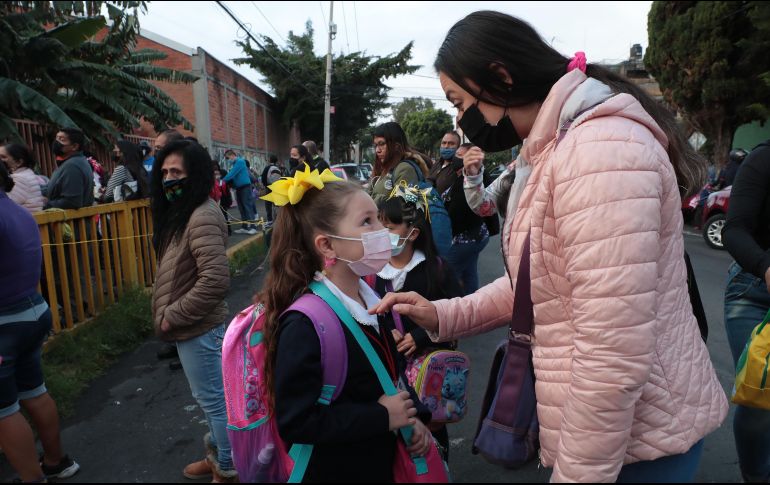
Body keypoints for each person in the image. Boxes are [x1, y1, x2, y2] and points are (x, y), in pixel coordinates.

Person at [371, 11, 727, 483]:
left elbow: (611, 355)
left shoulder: (598, 151)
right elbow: (542, 284)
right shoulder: (558, 147)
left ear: (500, 78)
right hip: (615, 439)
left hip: (637, 447)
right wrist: (443, 314)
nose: (461, 120)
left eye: (459, 102)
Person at [259, 170, 433, 482]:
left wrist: (412, 417)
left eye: (378, 219)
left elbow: (390, 379)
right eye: (367, 222)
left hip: (380, 462)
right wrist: (382, 417)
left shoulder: (374, 301)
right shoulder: (305, 325)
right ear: (327, 246)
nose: (382, 231)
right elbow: (296, 421)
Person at [150, 140, 236, 483]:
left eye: (177, 172)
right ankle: (217, 455)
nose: (169, 179)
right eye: (165, 172)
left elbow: (215, 281)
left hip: (198, 328)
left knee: (216, 403)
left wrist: (173, 315)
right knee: (210, 400)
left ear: (195, 175)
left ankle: (228, 469)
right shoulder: (183, 213)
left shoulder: (201, 214)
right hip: (191, 329)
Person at [0, 163, 80, 482]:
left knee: (4, 411)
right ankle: (56, 461)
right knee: (33, 391)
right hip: (33, 312)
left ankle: (33, 478)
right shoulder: (18, 211)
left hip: (5, 324)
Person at [375, 184, 463, 461]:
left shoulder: (437, 270)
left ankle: (439, 468)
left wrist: (421, 336)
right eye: (380, 226)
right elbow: (373, 313)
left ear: (412, 233)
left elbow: (455, 314)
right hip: (393, 371)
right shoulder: (373, 273)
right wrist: (389, 331)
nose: (382, 234)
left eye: (390, 227)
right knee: (403, 438)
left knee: (434, 431)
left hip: (432, 370)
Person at [722, 140, 770, 483]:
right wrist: (766, 267)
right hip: (753, 292)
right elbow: (734, 230)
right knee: (760, 396)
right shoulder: (763, 159)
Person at [439, 143, 493, 295]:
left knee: (447, 276)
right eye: (458, 155)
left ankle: (452, 309)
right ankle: (470, 305)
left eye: (464, 156)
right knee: (469, 273)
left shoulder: (474, 179)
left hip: (467, 238)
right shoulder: (456, 174)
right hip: (473, 237)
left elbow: (461, 211)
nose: (459, 159)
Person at [369, 122, 431, 205]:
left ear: (396, 145)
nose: (377, 150)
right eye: (376, 145)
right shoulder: (385, 168)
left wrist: (375, 200)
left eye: (382, 144)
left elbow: (406, 205)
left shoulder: (405, 168)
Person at [44, 128, 94, 210]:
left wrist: (45, 204)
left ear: (74, 146)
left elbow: (72, 202)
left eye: (62, 140)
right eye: (56, 138)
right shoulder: (73, 162)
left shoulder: (72, 166)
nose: (56, 142)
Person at [0, 143, 46, 212]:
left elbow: (7, 203)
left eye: (3, 157)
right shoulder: (25, 173)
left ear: (18, 162)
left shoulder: (19, 178)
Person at [222, 150, 257, 235]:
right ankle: (245, 227)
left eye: (228, 157)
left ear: (232, 155)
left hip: (245, 187)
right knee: (241, 208)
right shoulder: (235, 164)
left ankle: (253, 227)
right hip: (239, 188)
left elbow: (232, 174)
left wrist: (222, 181)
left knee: (247, 207)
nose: (227, 160)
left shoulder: (240, 162)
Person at [260, 155, 283, 224]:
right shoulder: (278, 168)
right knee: (276, 205)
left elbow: (263, 177)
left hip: (269, 187)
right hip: (277, 187)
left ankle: (270, 220)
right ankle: (279, 219)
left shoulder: (267, 167)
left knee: (268, 205)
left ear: (270, 160)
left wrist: (265, 185)